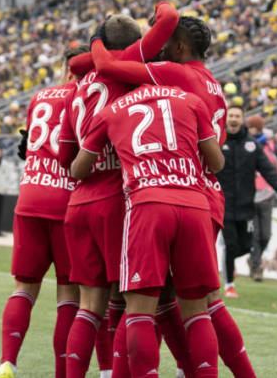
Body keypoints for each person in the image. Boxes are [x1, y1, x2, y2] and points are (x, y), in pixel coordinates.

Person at [90, 15, 258, 378]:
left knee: (144, 303)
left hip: (172, 190)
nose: (159, 49)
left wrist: (104, 38)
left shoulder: (176, 76)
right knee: (184, 301)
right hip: (201, 193)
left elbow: (108, 65)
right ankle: (197, 370)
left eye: (165, 42)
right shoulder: (211, 83)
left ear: (179, 47)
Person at [71, 83, 225, 378]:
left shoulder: (111, 110)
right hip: (194, 205)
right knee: (198, 313)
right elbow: (216, 162)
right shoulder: (190, 100)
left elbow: (79, 169)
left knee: (139, 311)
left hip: (147, 206)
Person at [59, 4, 177, 378]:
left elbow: (66, 155)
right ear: (136, 44)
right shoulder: (129, 64)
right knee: (137, 301)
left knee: (88, 305)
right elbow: (169, 21)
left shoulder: (77, 87)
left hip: (79, 200)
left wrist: (94, 42)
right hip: (119, 196)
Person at [0, 46, 86, 378]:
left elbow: (31, 143)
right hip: (65, 199)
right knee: (68, 291)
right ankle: (62, 372)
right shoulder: (85, 96)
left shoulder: (40, 97)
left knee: (24, 286)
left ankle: (8, 360)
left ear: (65, 68)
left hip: (30, 194)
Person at [217, 106, 277, 298]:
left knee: (247, 246)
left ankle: (233, 264)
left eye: (237, 116)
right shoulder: (218, 142)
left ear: (242, 120)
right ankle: (229, 285)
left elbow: (268, 170)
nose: (233, 119)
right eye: (231, 116)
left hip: (246, 207)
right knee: (231, 245)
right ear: (226, 119)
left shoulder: (252, 145)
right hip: (223, 206)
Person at [246, 115, 277, 282]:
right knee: (255, 233)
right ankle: (256, 266)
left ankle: (254, 260)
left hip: (267, 195)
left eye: (253, 127)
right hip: (250, 196)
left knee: (266, 235)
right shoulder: (244, 145)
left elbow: (275, 169)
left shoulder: (268, 148)